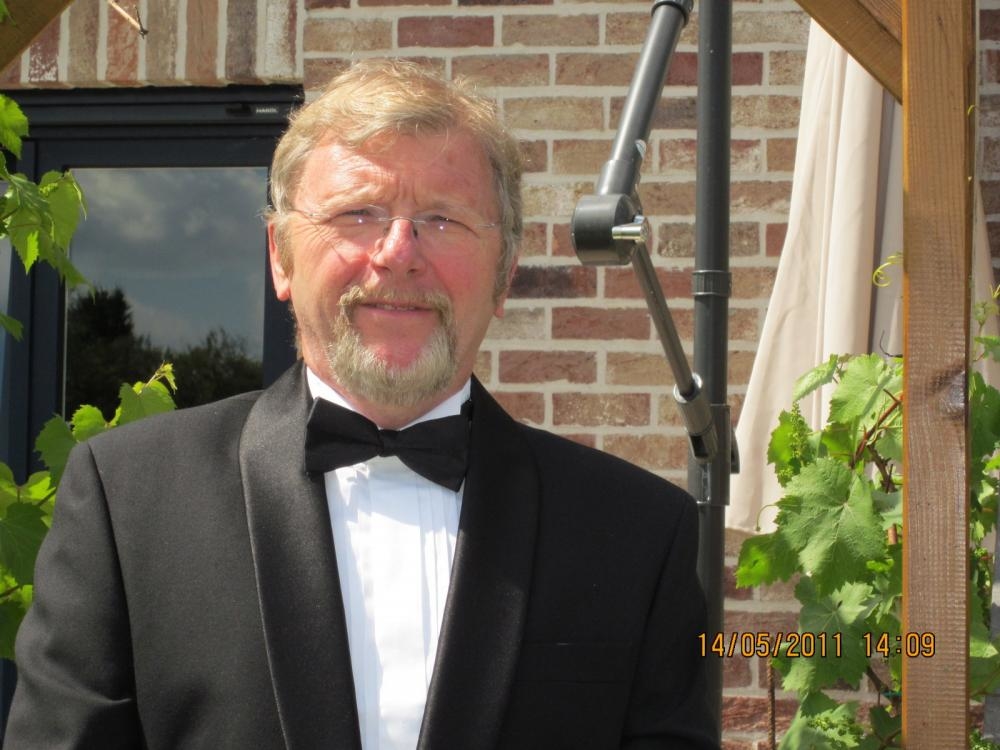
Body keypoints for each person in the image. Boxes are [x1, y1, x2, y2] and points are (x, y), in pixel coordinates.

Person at [4, 59, 718, 749]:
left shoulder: (638, 533)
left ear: (504, 274)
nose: (398, 253)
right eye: (358, 214)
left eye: (443, 219)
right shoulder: (127, 502)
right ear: (281, 256)